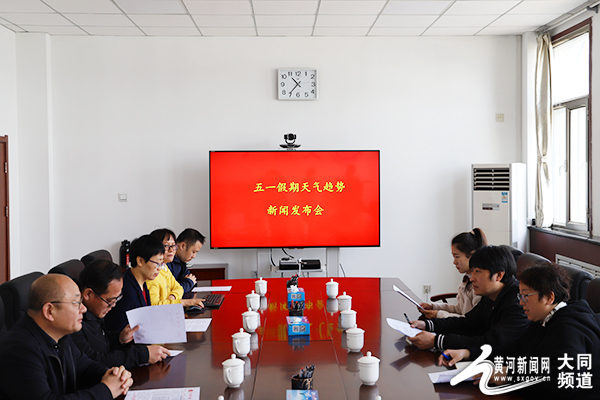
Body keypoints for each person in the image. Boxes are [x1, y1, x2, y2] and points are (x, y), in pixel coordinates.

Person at [440, 263, 600, 399]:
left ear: (549, 298)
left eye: (526, 296)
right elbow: (513, 349)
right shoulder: (543, 320)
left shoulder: (570, 329)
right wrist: (467, 353)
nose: (521, 303)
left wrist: (509, 374)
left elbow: (564, 381)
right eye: (520, 296)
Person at [0, 274, 133, 399]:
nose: (84, 309)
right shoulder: (20, 351)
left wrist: (114, 376)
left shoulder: (60, 335)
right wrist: (107, 390)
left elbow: (85, 367)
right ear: (49, 311)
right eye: (76, 303)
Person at [409, 245, 530, 351]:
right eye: (472, 272)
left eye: (478, 271)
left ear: (498, 275)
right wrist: (427, 325)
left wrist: (437, 341)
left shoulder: (518, 303)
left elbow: (491, 343)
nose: (472, 278)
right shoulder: (491, 295)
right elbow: (469, 323)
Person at [73, 259, 171, 369]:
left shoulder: (94, 311)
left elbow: (100, 341)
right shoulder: (73, 321)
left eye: (117, 299)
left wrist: (119, 338)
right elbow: (92, 360)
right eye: (110, 301)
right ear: (88, 294)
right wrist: (142, 354)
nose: (113, 305)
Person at [419, 228, 486, 318]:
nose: (454, 262)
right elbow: (459, 309)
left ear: (472, 256)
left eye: (457, 256)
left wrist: (438, 314)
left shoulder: (478, 285)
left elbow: (471, 321)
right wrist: (433, 307)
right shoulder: (466, 281)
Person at [104, 234, 164, 331]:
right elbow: (118, 330)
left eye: (161, 264)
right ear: (140, 261)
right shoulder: (126, 290)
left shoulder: (143, 284)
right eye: (157, 263)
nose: (159, 269)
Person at [148, 228, 204, 308]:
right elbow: (155, 306)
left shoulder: (165, 268)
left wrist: (172, 297)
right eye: (167, 246)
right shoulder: (152, 274)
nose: (171, 250)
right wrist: (184, 302)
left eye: (173, 246)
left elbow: (179, 288)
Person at [168, 228, 205, 294]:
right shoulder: (167, 262)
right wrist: (188, 282)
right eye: (193, 252)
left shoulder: (181, 261)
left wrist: (188, 282)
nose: (194, 256)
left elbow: (192, 280)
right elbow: (172, 290)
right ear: (182, 246)